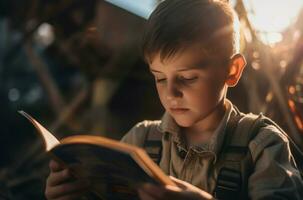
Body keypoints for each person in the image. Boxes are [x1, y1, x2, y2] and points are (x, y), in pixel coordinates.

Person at [44, 0, 303, 199]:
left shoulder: (261, 145)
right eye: (159, 78)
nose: (170, 93)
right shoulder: (141, 142)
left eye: (188, 78)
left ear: (231, 71)